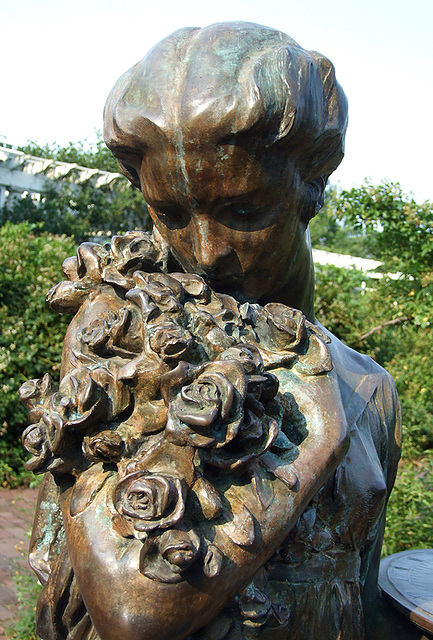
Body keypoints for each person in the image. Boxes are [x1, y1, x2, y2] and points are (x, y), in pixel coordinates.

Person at [27, 22, 404, 640]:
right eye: (170, 214)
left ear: (311, 184)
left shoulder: (371, 389)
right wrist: (314, 390)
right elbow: (136, 615)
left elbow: (356, 606)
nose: (203, 254)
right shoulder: (121, 348)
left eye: (243, 210)